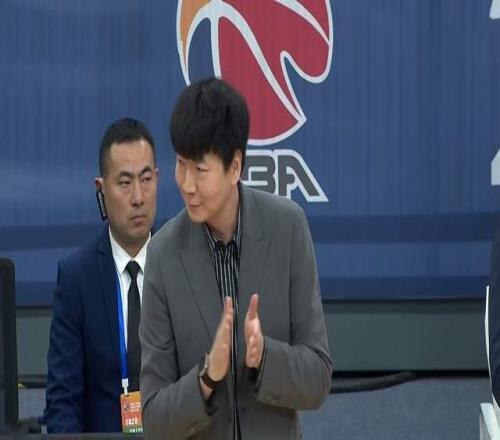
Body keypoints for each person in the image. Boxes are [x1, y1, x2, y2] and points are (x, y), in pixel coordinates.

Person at [140, 78, 332, 439]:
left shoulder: (288, 229)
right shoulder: (163, 255)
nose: (186, 184)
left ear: (234, 167)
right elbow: (152, 419)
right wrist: (207, 377)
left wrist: (264, 357)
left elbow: (318, 379)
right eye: (181, 164)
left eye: (200, 169)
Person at [44, 118, 159, 432]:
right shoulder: (77, 278)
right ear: (101, 189)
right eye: (125, 182)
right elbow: (62, 403)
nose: (138, 197)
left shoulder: (181, 265)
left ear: (158, 179)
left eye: (146, 179)